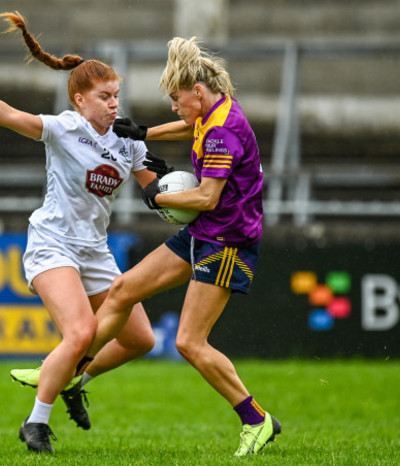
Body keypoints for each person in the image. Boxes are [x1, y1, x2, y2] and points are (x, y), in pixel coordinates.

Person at [0, 11, 156, 453]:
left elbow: (157, 192)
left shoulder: (129, 140)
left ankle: (73, 380)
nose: (113, 105)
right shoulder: (65, 129)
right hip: (53, 244)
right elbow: (12, 116)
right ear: (79, 100)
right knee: (81, 333)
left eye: (116, 96)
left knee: (141, 339)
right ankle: (35, 423)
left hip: (95, 250)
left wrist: (172, 185)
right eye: (104, 97)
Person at [82, 36, 282, 456]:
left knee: (190, 342)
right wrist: (145, 133)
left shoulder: (223, 132)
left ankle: (257, 420)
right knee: (123, 290)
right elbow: (191, 126)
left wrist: (159, 195)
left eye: (176, 98)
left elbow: (206, 198)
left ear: (197, 91)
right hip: (204, 233)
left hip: (226, 244)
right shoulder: (215, 110)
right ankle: (73, 371)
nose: (175, 106)